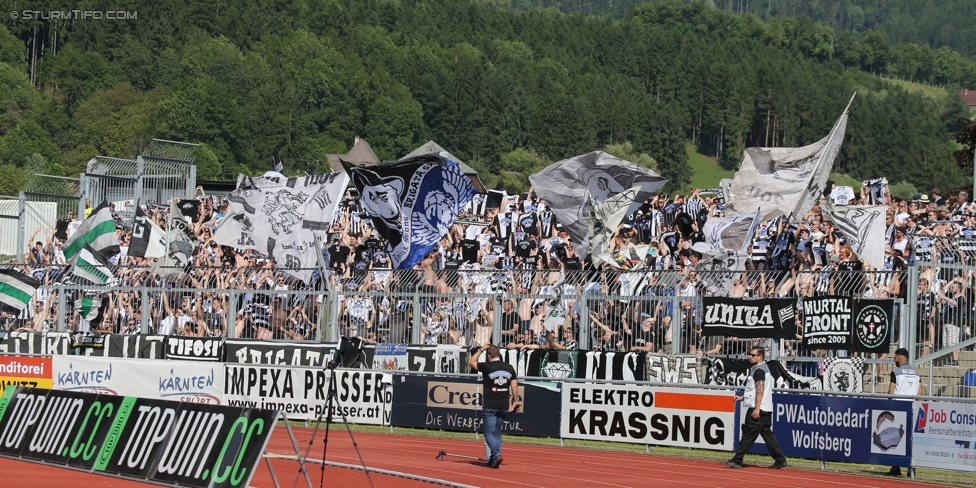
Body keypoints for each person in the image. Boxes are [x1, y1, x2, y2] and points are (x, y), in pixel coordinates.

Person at [724, 347, 788, 469]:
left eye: (753, 355)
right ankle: (780, 460)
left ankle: (737, 460)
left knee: (748, 434)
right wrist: (742, 397)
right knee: (767, 435)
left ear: (760, 357)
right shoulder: (763, 369)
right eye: (750, 354)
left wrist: (756, 408)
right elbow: (755, 390)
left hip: (759, 408)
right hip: (765, 407)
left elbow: (760, 390)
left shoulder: (759, 370)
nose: (750, 357)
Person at [467, 343, 519, 469]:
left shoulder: (487, 366)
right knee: (497, 432)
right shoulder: (509, 367)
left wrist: (481, 349)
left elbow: (471, 362)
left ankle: (496, 454)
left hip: (490, 405)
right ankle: (493, 458)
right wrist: (515, 401)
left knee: (488, 432)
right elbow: (514, 386)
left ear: (489, 356)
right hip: (503, 404)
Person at [886, 348, 921, 477]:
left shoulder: (896, 373)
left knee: (896, 439)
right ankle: (910, 469)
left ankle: (896, 467)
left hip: (898, 409)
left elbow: (891, 392)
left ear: (899, 359)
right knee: (910, 440)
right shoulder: (916, 374)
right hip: (912, 408)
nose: (894, 360)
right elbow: (920, 394)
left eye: (895, 358)